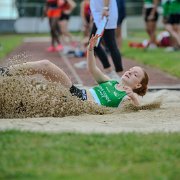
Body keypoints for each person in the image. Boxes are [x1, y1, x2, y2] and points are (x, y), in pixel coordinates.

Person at [0, 35, 149, 108]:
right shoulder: (112, 82)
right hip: (76, 93)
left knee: (40, 101)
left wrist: (134, 98)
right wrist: (90, 49)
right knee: (45, 64)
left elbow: (133, 109)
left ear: (137, 85)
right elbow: (92, 69)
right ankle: (4, 72)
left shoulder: (126, 97)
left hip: (78, 105)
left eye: (135, 74)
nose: (129, 72)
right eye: (130, 69)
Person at [89, 0, 123, 80]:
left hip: (105, 14)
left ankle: (118, 73)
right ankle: (110, 71)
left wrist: (106, 8)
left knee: (109, 44)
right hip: (99, 15)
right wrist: (93, 12)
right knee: (95, 44)